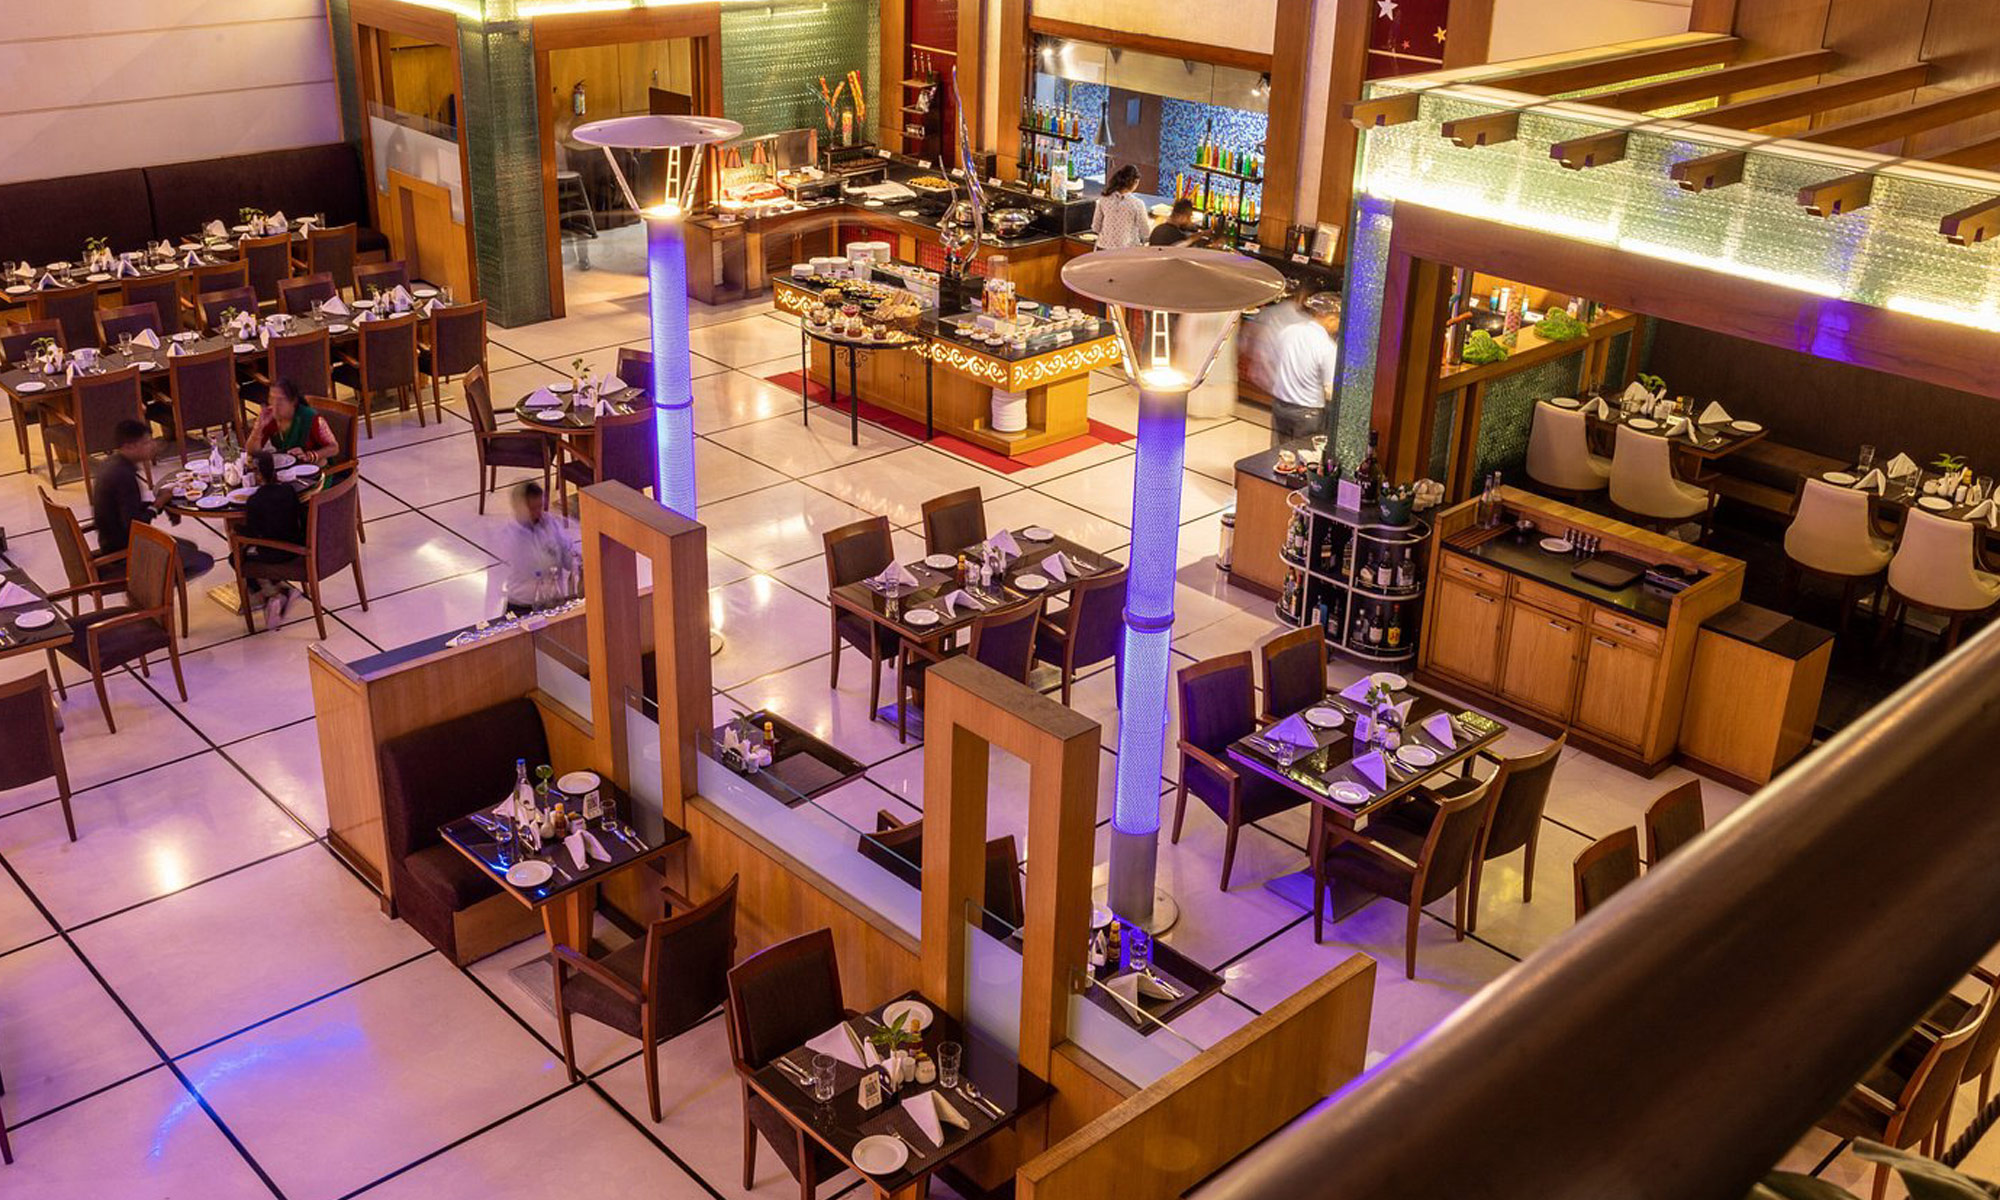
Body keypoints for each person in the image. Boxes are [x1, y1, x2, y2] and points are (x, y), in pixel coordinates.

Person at [488, 481, 581, 618]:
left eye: (540, 507)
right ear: (518, 507)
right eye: (532, 509)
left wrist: (576, 560)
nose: (538, 513)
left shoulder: (552, 524)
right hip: (522, 607)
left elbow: (569, 558)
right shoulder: (506, 537)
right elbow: (494, 584)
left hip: (552, 604)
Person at [92, 419, 181, 559]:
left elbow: (129, 508)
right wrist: (157, 505)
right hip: (126, 550)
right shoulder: (123, 475)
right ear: (129, 447)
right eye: (146, 442)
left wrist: (161, 504)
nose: (153, 445)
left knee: (187, 548)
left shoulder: (111, 464)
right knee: (201, 560)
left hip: (110, 541)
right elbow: (136, 526)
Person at [239, 451, 306, 630]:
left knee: (237, 557)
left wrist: (236, 531)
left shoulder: (255, 501)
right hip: (296, 545)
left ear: (258, 474)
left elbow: (253, 534)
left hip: (274, 552)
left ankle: (271, 595)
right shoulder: (289, 490)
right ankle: (279, 589)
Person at [1269, 290, 1342, 442]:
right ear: (1330, 319)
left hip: (1280, 406)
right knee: (1303, 453)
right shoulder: (1327, 346)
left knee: (1279, 451)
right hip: (1308, 412)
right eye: (1338, 321)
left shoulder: (1288, 331)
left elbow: (1275, 360)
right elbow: (1330, 390)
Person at [245, 379, 339, 465]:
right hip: (287, 467)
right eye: (272, 398)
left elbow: (334, 448)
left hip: (314, 468)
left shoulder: (311, 418)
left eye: (280, 400)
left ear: (293, 402)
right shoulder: (270, 418)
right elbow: (252, 453)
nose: (275, 404)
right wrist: (258, 429)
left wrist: (310, 456)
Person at [1090, 164, 1152, 251]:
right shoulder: (1137, 204)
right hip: (1126, 252)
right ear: (1136, 182)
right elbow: (1146, 233)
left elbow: (1096, 227)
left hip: (1102, 249)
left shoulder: (1103, 199)